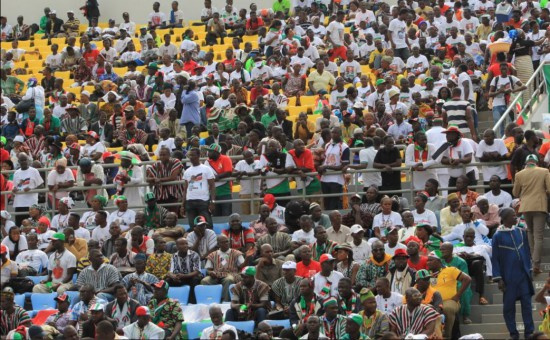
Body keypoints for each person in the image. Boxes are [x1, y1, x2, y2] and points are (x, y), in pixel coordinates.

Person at [492, 208, 535, 339]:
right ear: (504, 218)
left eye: (515, 215)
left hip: (523, 275)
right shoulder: (497, 236)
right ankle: (513, 333)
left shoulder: (521, 232)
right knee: (509, 308)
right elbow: (495, 258)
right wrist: (498, 278)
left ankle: (529, 332)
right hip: (508, 278)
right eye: (513, 215)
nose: (516, 217)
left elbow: (527, 253)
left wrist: (530, 270)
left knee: (527, 305)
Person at [512, 154, 550, 275]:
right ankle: (536, 264)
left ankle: (533, 262)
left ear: (526, 163)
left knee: (530, 233)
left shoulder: (519, 174)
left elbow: (515, 193)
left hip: (526, 207)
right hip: (539, 206)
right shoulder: (544, 171)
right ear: (536, 162)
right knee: (538, 236)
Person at [426, 250, 471, 339]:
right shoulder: (430, 275)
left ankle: (447, 336)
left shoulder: (451, 270)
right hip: (434, 301)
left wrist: (458, 295)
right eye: (428, 260)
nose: (428, 262)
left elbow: (467, 279)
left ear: (438, 261)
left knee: (447, 308)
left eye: (431, 260)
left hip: (449, 300)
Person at [201, 235, 245, 302]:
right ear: (218, 244)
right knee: (205, 281)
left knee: (228, 279)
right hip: (216, 275)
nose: (226, 244)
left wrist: (247, 258)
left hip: (231, 274)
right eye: (223, 242)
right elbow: (208, 269)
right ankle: (210, 300)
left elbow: (242, 266)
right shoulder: (212, 254)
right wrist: (211, 273)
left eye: (227, 241)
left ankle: (225, 301)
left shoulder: (236, 253)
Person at [181, 147, 216, 227]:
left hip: (203, 201)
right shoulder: (187, 171)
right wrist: (183, 205)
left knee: (208, 225)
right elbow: (185, 189)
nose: (191, 157)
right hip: (190, 202)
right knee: (193, 226)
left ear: (199, 156)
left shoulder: (206, 169)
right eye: (190, 156)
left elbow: (212, 186)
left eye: (193, 155)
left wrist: (212, 202)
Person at [319, 127, 350, 210]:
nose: (333, 134)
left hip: (336, 179)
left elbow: (344, 166)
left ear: (340, 134)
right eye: (332, 132)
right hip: (325, 178)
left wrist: (326, 166)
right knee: (326, 202)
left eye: (335, 133)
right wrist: (322, 167)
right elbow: (326, 160)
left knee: (334, 203)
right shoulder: (327, 145)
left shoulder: (344, 147)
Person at [165, 237, 201, 303]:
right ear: (177, 246)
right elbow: (170, 271)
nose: (185, 246)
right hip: (179, 278)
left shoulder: (194, 255)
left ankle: (192, 302)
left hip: (191, 277)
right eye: (182, 244)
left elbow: (197, 271)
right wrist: (174, 277)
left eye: (186, 244)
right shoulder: (173, 256)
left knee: (195, 279)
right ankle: (169, 302)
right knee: (167, 280)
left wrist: (184, 276)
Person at [11, 153, 43, 225]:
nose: (24, 162)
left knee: (33, 225)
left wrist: (31, 188)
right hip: (19, 203)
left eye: (25, 160)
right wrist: (14, 189)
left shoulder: (34, 171)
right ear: (19, 162)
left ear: (28, 160)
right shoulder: (16, 173)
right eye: (22, 160)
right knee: (20, 225)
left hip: (31, 203)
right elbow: (15, 186)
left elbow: (41, 185)